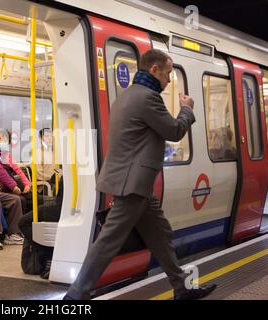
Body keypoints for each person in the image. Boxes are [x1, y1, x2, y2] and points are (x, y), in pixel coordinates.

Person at [63, 49, 217, 300]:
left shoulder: (126, 96)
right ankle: (75, 296)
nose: (169, 79)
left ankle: (181, 287)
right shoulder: (148, 98)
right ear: (154, 70)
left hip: (135, 183)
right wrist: (187, 109)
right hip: (132, 184)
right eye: (167, 73)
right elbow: (174, 130)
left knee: (161, 234)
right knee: (108, 242)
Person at [0, 128, 37, 212]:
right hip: (4, 188)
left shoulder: (6, 155)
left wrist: (26, 183)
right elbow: (1, 174)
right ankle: (23, 223)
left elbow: (17, 170)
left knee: (35, 198)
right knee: (24, 200)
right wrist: (13, 186)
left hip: (14, 185)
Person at [36, 128, 62, 194]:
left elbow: (57, 169)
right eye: (47, 136)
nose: (50, 138)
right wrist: (54, 177)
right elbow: (38, 175)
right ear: (41, 138)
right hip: (45, 187)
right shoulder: (38, 153)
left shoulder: (54, 153)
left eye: (51, 136)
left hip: (56, 182)